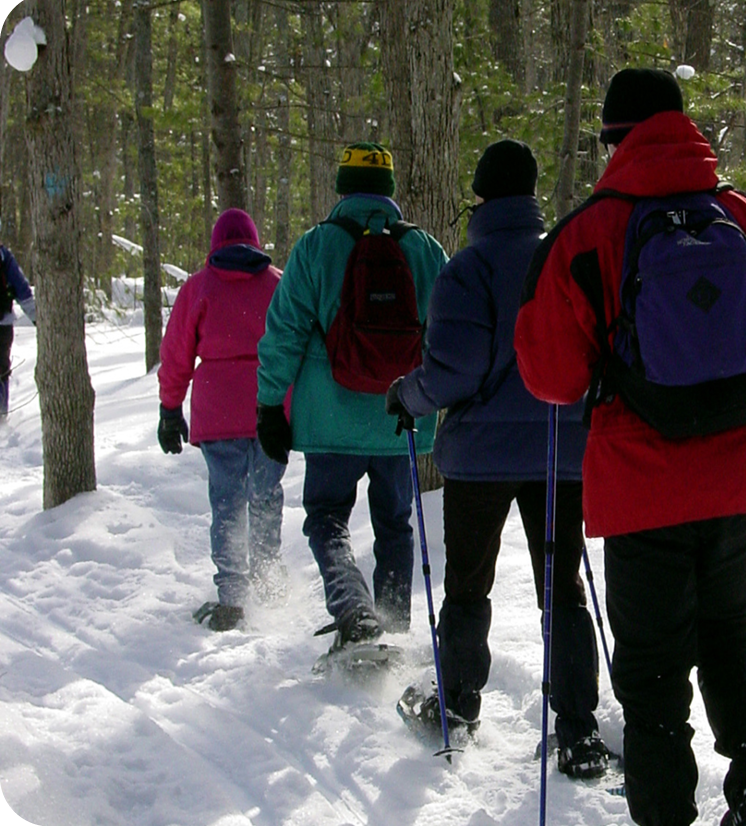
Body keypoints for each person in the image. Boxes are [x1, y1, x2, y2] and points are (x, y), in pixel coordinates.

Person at [514, 68, 746, 826]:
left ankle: (662, 810)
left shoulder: (587, 232)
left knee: (652, 654)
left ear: (614, 141)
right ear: (683, 128)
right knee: (729, 625)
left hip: (642, 481)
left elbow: (551, 378)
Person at [384, 139, 610, 775]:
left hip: (480, 458)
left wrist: (408, 395)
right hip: (558, 450)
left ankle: (456, 704)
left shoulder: (466, 270)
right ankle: (577, 728)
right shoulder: (562, 262)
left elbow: (452, 370)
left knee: (466, 584)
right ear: (532, 193)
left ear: (480, 196)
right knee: (563, 589)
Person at [256, 142, 447, 649]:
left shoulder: (317, 246)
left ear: (341, 187)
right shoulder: (425, 250)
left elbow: (284, 332)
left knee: (325, 517)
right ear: (390, 191)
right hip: (400, 417)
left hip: (329, 419)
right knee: (395, 524)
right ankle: (393, 629)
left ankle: (354, 613)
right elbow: (448, 334)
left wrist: (269, 403)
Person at [157, 208, 286, 632]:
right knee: (266, 496)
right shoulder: (277, 285)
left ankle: (232, 596)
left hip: (218, 413)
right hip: (269, 408)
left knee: (227, 502)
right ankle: (268, 587)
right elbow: (296, 343)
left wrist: (170, 407)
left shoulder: (198, 288)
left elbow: (177, 353)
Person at [0, 242, 37, 420]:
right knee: (1, 371)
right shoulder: (4, 256)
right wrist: (38, 319)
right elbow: (22, 289)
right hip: (2, 324)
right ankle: (1, 414)